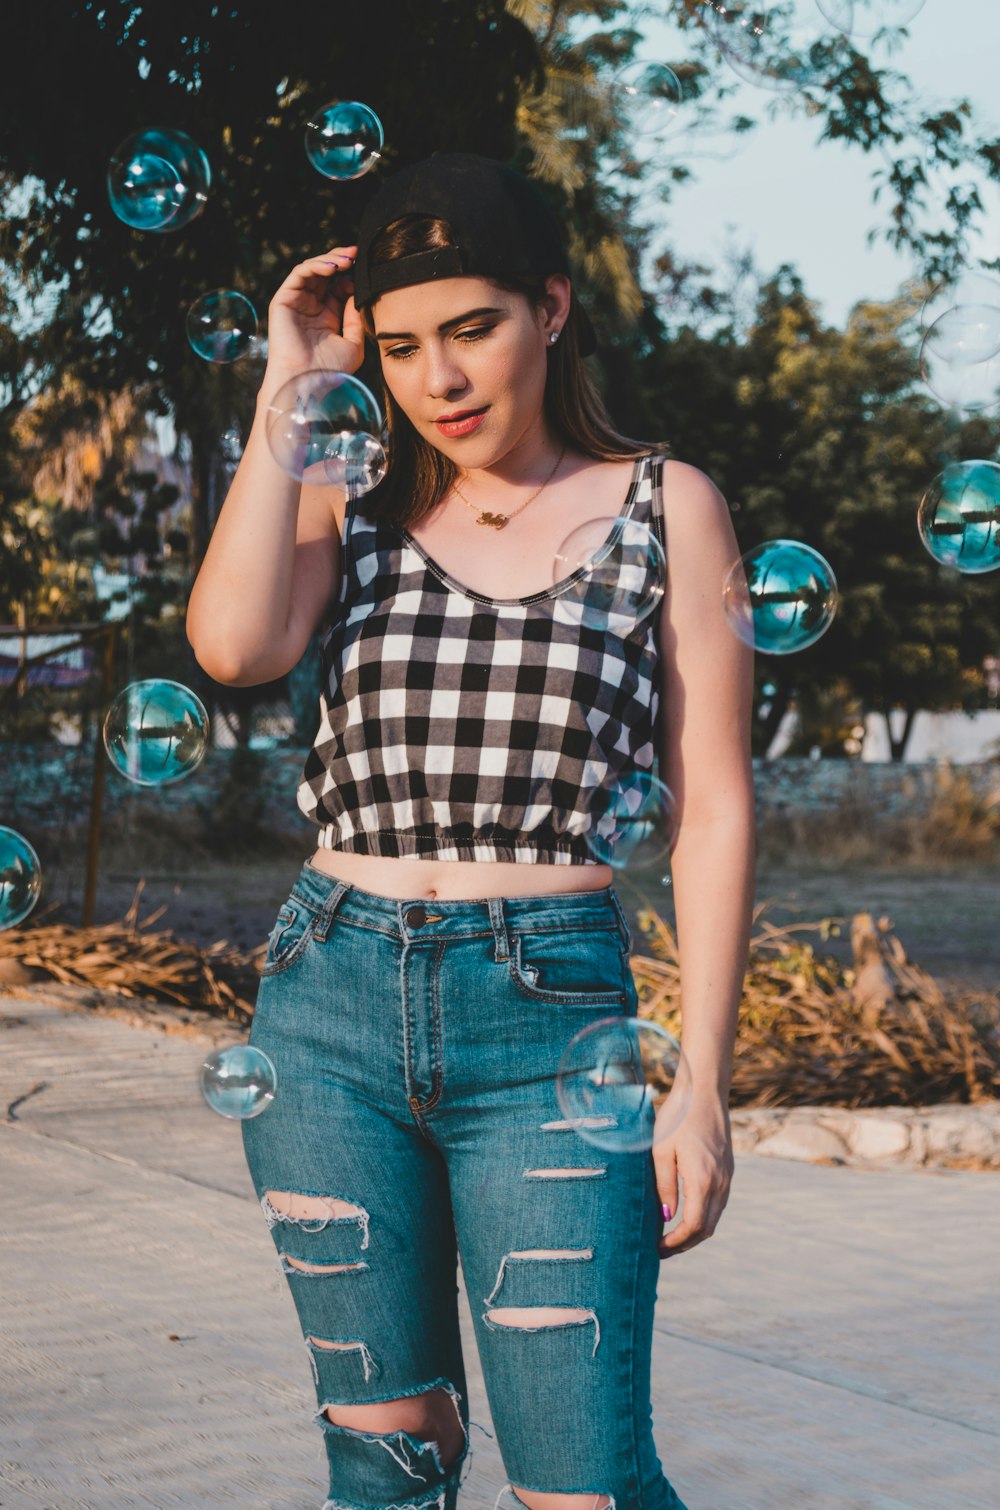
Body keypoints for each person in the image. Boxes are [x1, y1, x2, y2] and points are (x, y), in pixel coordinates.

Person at [186, 152, 754, 1510]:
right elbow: (232, 642)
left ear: (551, 308)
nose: (437, 378)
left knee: (583, 1481)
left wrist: (705, 1087)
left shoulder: (667, 506)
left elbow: (716, 804)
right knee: (387, 1463)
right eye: (399, 346)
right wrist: (293, 389)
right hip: (326, 1011)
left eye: (472, 328)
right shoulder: (351, 490)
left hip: (553, 1023)